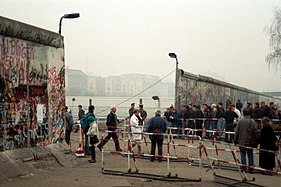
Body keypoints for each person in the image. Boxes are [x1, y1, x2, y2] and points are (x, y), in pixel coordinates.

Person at [234, 109, 258, 173]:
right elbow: (256, 132)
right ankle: (251, 169)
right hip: (250, 142)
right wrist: (256, 140)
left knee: (242, 155)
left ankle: (243, 168)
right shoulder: (252, 122)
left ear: (243, 114)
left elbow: (237, 132)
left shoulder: (240, 121)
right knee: (250, 155)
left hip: (242, 141)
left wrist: (235, 140)